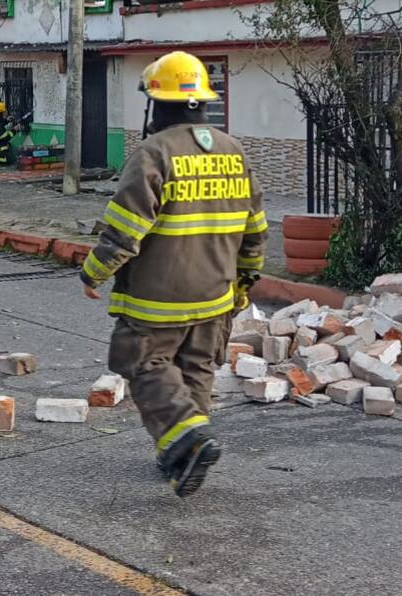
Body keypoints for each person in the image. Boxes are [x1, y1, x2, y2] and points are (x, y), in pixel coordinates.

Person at [78, 51, 266, 498]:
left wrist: (92, 273)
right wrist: (244, 283)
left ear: (156, 104)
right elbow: (255, 230)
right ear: (202, 101)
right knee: (196, 370)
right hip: (217, 297)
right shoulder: (234, 151)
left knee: (142, 361)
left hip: (157, 301)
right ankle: (180, 458)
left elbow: (125, 230)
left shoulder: (153, 153)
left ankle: (186, 434)